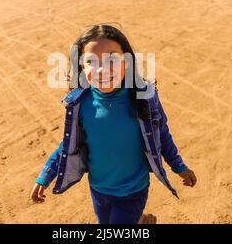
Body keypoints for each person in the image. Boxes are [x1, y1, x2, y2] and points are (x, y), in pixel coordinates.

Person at [30, 24, 197, 224]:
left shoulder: (144, 98)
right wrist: (46, 175)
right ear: (82, 66)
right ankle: (141, 221)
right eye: (91, 61)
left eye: (112, 59)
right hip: (99, 190)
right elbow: (68, 145)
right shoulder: (80, 104)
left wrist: (179, 166)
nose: (102, 69)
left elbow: (162, 134)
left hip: (133, 190)